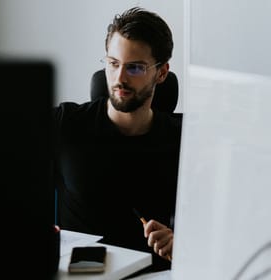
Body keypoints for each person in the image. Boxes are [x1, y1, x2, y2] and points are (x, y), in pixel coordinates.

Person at [53, 6, 182, 272]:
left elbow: (215, 231)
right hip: (81, 275)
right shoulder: (65, 123)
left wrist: (181, 244)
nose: (119, 78)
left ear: (161, 72)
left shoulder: (184, 140)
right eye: (113, 64)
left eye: (134, 68)